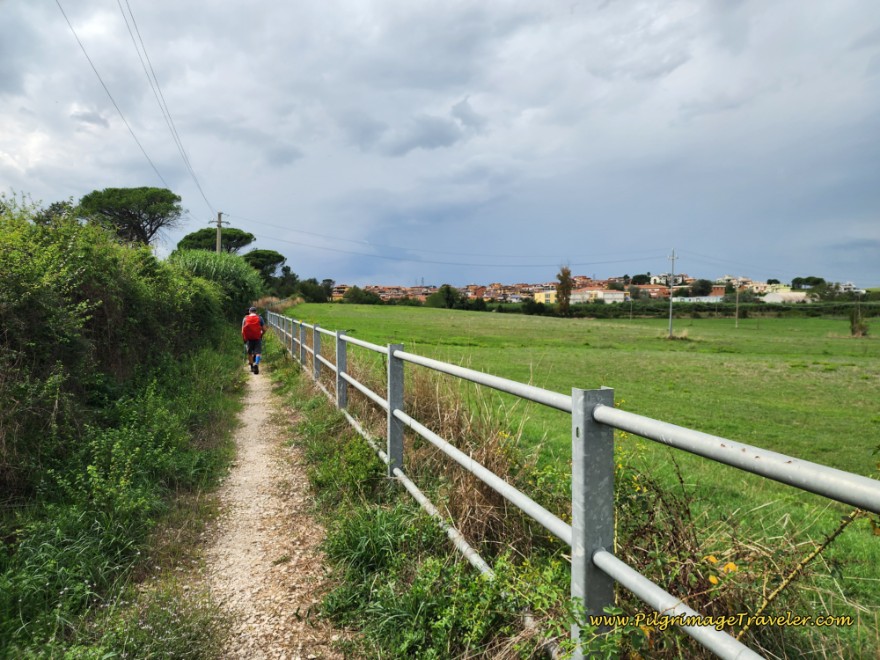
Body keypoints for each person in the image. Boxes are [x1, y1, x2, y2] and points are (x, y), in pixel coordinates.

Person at [241, 306, 265, 374]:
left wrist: (244, 339)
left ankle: (251, 367)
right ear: (256, 312)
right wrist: (261, 334)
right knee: (258, 352)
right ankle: (256, 364)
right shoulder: (260, 318)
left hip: (248, 339)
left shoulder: (245, 319)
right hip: (257, 338)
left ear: (249, 312)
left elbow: (242, 331)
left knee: (249, 353)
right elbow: (264, 329)